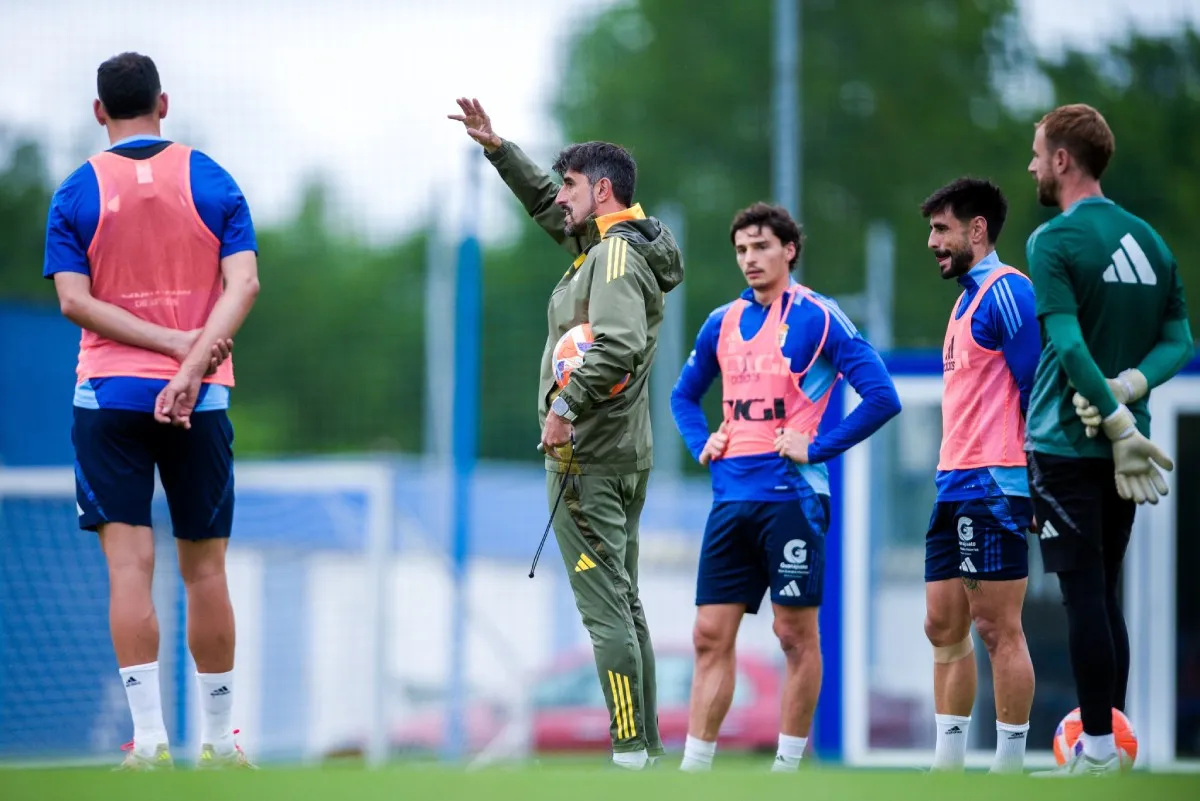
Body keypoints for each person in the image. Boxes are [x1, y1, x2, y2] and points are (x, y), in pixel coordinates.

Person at [448, 97, 684, 770]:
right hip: (623, 455)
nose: (561, 197)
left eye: (572, 185)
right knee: (625, 604)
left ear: (602, 191)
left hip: (588, 460)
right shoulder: (623, 243)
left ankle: (629, 753)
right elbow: (550, 210)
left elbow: (617, 345)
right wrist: (500, 151)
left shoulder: (612, 259)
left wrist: (565, 409)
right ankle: (646, 752)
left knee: (606, 612)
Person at [43, 52, 260, 770]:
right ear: (163, 104)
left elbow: (72, 301)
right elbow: (244, 285)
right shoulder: (212, 178)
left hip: (107, 396)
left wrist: (164, 347)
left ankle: (150, 743)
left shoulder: (75, 189)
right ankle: (221, 744)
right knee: (206, 571)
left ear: (99, 112)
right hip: (203, 397)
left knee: (130, 569)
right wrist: (189, 362)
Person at [671, 202, 901, 773]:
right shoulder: (721, 321)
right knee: (708, 635)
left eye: (761, 246)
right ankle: (694, 771)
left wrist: (816, 448)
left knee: (793, 635)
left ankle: (787, 769)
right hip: (731, 499)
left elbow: (882, 397)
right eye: (741, 250)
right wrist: (701, 441)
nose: (749, 258)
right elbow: (683, 396)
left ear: (789, 250)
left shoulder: (819, 317)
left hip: (792, 499)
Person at [1023, 103, 1194, 776]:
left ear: (1063, 160)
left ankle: (1096, 749)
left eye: (1038, 153)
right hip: (1128, 453)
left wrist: (1112, 413)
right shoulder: (1151, 240)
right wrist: (1128, 390)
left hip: (1066, 443)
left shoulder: (1053, 241)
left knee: (1083, 597)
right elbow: (1178, 340)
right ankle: (1111, 745)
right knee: (1104, 593)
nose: (1033, 166)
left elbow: (1067, 347)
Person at [918, 178, 1039, 774]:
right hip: (952, 483)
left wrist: (1040, 483)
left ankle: (1009, 768)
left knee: (996, 627)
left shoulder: (1007, 290)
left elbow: (1037, 387)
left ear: (978, 229)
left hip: (995, 484)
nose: (932, 242)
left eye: (942, 229)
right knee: (942, 624)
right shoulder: (964, 298)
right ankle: (948, 768)